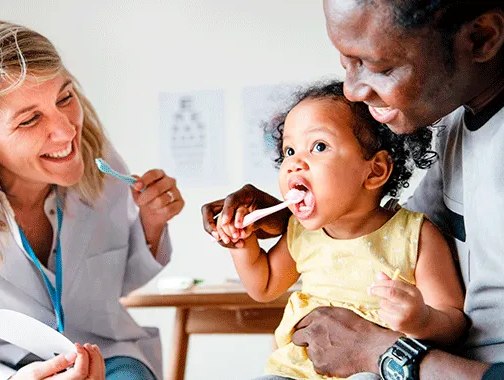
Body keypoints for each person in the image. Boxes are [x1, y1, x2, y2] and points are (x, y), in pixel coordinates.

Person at [202, 1, 504, 379]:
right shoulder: (457, 125)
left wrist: (384, 349)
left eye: (379, 67)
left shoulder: (417, 235)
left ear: (481, 38)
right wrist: (275, 223)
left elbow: (421, 261)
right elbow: (377, 219)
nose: (353, 90)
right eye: (289, 152)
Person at [0, 20, 184, 380]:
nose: (67, 131)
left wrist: (151, 224)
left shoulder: (101, 166)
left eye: (65, 98)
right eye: (30, 119)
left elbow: (119, 281)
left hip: (109, 357)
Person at [215, 80, 466, 380]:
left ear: (374, 171)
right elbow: (264, 285)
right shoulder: (302, 232)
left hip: (373, 368)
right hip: (298, 370)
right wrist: (243, 244)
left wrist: (421, 320)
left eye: (319, 146)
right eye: (289, 151)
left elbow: (454, 322)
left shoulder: (415, 235)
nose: (294, 163)